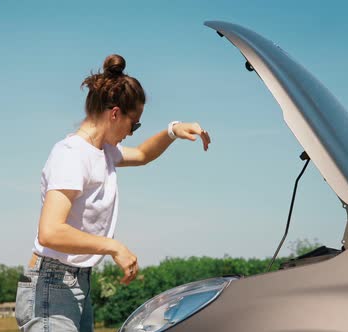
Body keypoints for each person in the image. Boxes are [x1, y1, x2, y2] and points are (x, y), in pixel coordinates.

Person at [15, 54, 211, 332]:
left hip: (76, 281)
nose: (133, 132)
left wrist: (172, 131)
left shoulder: (103, 152)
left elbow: (143, 154)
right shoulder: (71, 156)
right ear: (115, 113)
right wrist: (113, 246)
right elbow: (50, 232)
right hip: (52, 285)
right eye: (135, 124)